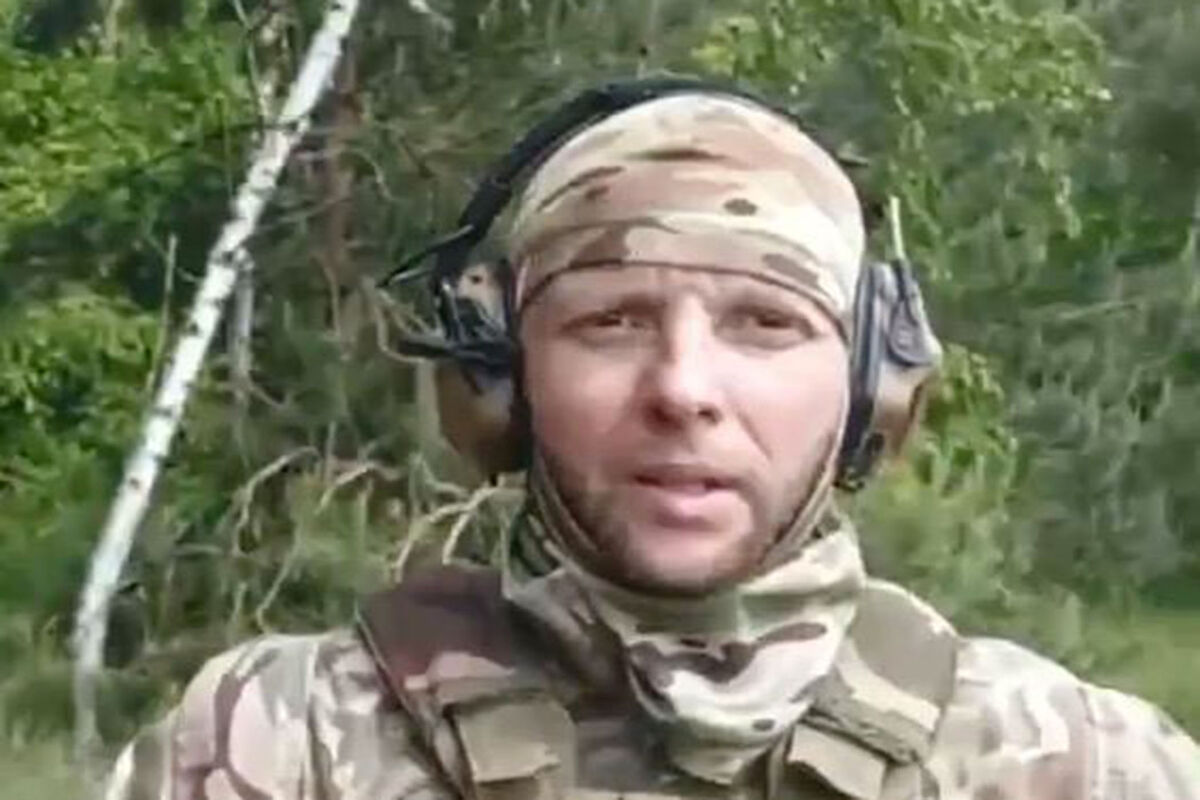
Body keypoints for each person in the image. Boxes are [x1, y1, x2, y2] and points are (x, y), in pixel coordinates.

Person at [104, 83, 1200, 800]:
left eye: (764, 323)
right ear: (500, 379)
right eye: (611, 321)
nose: (683, 389)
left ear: (873, 388)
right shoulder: (282, 743)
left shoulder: (1075, 763)